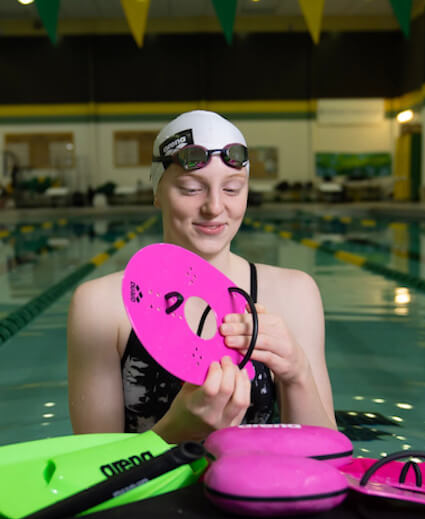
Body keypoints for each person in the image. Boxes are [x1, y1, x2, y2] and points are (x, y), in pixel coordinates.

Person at [68, 110, 335, 443]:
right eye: (192, 189)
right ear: (157, 191)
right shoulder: (101, 306)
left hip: (260, 493)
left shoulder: (295, 294)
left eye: (233, 189)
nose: (214, 207)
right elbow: (93, 471)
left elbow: (328, 455)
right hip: (154, 496)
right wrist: (177, 430)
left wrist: (298, 375)